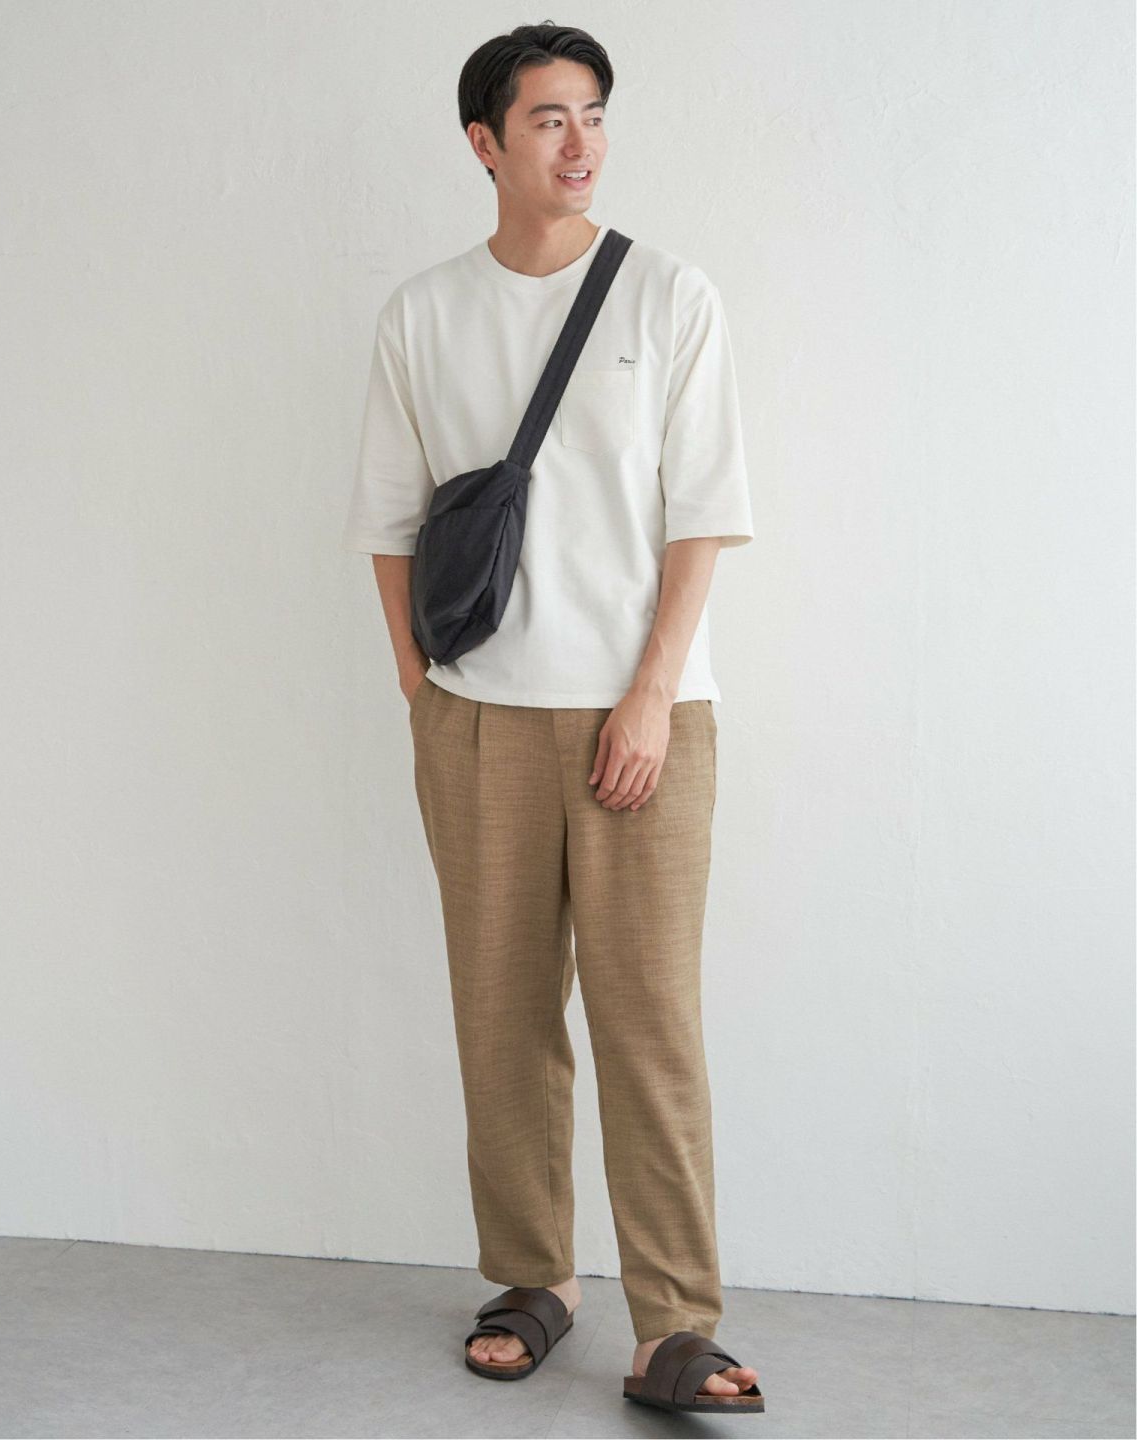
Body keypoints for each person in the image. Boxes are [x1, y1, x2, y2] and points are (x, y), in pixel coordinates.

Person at [342, 20, 764, 1417]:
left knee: (650, 1023)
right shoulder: (424, 313)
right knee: (503, 1014)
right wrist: (424, 697)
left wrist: (649, 694)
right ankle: (533, 1279)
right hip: (479, 722)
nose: (581, 143)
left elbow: (705, 516)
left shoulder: (670, 295)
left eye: (593, 114)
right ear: (484, 142)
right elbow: (390, 522)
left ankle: (675, 1324)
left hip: (647, 720)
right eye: (546, 119)